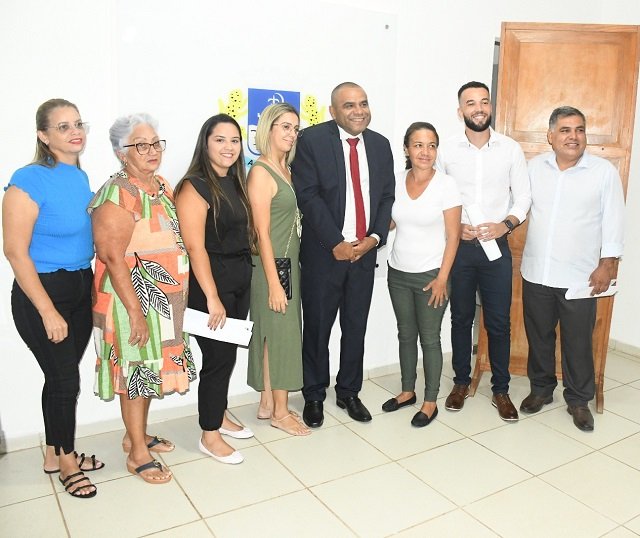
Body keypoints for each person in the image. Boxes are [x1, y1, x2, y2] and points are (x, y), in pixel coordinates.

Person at [3, 98, 102, 498]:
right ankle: (67, 461)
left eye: (78, 124)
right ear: (43, 136)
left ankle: (52, 452)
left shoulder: (78, 176)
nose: (75, 132)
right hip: (43, 294)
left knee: (60, 378)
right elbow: (15, 251)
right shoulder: (28, 179)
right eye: (63, 127)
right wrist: (47, 311)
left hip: (80, 286)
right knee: (65, 380)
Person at [90, 113, 193, 484]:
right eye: (141, 145)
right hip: (129, 302)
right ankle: (137, 454)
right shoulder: (116, 193)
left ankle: (136, 435)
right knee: (135, 372)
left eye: (155, 143)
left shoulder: (161, 186)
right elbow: (112, 256)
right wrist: (134, 312)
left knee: (149, 370)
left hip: (162, 302)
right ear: (122, 153)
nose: (152, 151)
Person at [292, 82, 395, 428]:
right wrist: (335, 242)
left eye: (363, 103)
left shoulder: (380, 145)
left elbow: (386, 196)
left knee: (355, 328)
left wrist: (374, 238)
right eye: (349, 105)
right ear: (333, 111)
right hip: (325, 255)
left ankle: (349, 391)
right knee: (317, 329)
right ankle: (314, 395)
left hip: (363, 255)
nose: (358, 111)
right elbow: (308, 195)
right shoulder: (312, 141)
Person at [520, 106, 624, 432]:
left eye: (579, 130)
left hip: (580, 276)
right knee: (539, 337)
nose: (573, 136)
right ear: (550, 136)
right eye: (565, 130)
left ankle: (578, 400)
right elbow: (516, 205)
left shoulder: (603, 172)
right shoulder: (534, 168)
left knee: (578, 342)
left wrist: (608, 264)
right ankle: (541, 389)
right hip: (537, 271)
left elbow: (614, 220)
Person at [437, 81, 531, 422]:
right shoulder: (446, 150)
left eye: (484, 102)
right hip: (460, 249)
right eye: (471, 103)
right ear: (460, 110)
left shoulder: (510, 149)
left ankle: (500, 389)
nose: (478, 108)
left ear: (491, 107)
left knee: (499, 322)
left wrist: (506, 225)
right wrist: (453, 227)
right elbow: (436, 195)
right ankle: (461, 382)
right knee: (461, 318)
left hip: (497, 248)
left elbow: (523, 197)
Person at [175, 114, 255, 464]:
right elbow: (195, 247)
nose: (228, 147)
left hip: (238, 278)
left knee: (226, 356)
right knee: (217, 360)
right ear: (205, 144)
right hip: (210, 284)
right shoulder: (194, 186)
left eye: (234, 140)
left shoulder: (236, 181)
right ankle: (209, 434)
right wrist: (211, 297)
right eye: (219, 139)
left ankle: (219, 415)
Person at [384, 122, 461, 427]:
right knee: (405, 334)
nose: (425, 152)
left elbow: (453, 236)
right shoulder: (395, 180)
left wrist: (442, 278)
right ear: (406, 149)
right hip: (398, 272)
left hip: (431, 275)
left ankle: (430, 401)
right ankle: (407, 391)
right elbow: (393, 222)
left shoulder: (446, 185)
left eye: (431, 145)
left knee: (429, 339)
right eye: (418, 145)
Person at [247, 103, 310, 436]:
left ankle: (267, 402)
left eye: (295, 128)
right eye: (285, 127)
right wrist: (274, 282)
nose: (292, 134)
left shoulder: (284, 168)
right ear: (268, 128)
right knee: (282, 335)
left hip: (285, 264)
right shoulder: (261, 172)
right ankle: (281, 413)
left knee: (272, 334)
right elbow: (261, 232)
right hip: (272, 267)